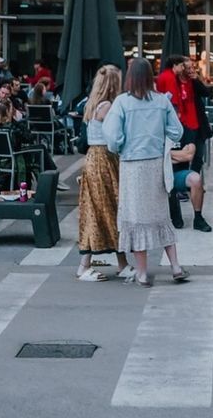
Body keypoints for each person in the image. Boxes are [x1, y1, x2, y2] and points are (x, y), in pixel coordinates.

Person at [103, 57, 188, 287]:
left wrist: (120, 145)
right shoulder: (162, 102)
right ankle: (175, 266)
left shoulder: (122, 103)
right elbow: (177, 131)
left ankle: (141, 272)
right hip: (156, 165)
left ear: (130, 77)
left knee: (136, 218)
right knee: (161, 216)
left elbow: (111, 136)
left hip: (133, 166)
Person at [76, 65, 131, 283]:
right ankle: (85, 266)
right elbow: (115, 137)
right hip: (104, 159)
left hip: (94, 158)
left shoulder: (93, 104)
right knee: (109, 209)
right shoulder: (108, 106)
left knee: (100, 209)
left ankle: (121, 263)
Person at [169, 129, 213, 233]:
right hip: (159, 173)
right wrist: (179, 155)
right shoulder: (158, 130)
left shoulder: (185, 130)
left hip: (178, 174)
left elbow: (188, 155)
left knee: (196, 179)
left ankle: (198, 218)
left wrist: (166, 154)